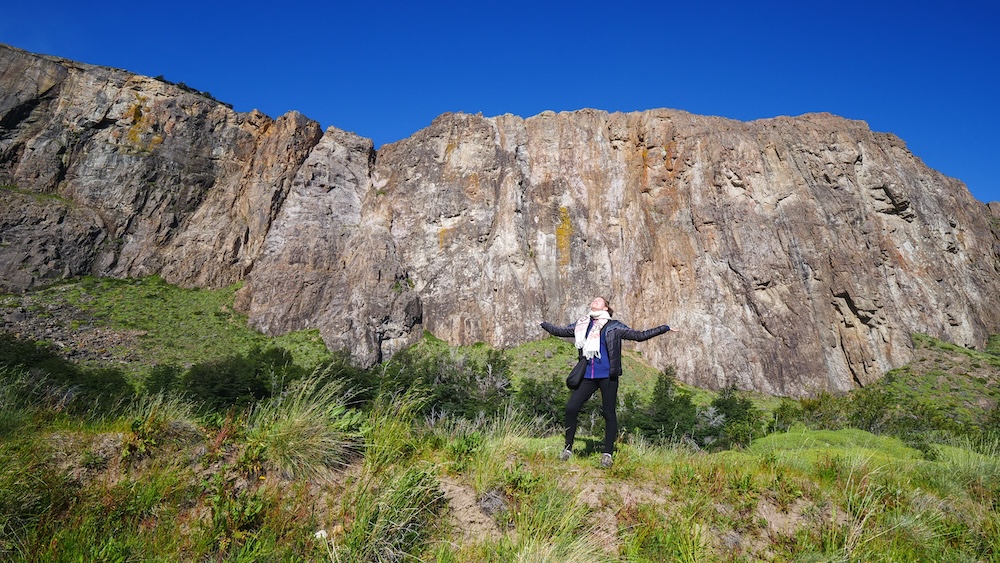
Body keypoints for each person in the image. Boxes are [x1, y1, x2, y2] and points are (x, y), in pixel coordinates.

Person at [540, 296, 675, 468]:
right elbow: (559, 331)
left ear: (605, 308)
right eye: (593, 300)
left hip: (608, 376)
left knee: (609, 413)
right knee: (571, 408)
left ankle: (607, 453)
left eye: (599, 300)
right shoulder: (582, 324)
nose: (594, 301)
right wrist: (543, 323)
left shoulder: (614, 327)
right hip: (588, 376)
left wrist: (665, 328)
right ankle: (567, 449)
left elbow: (639, 336)